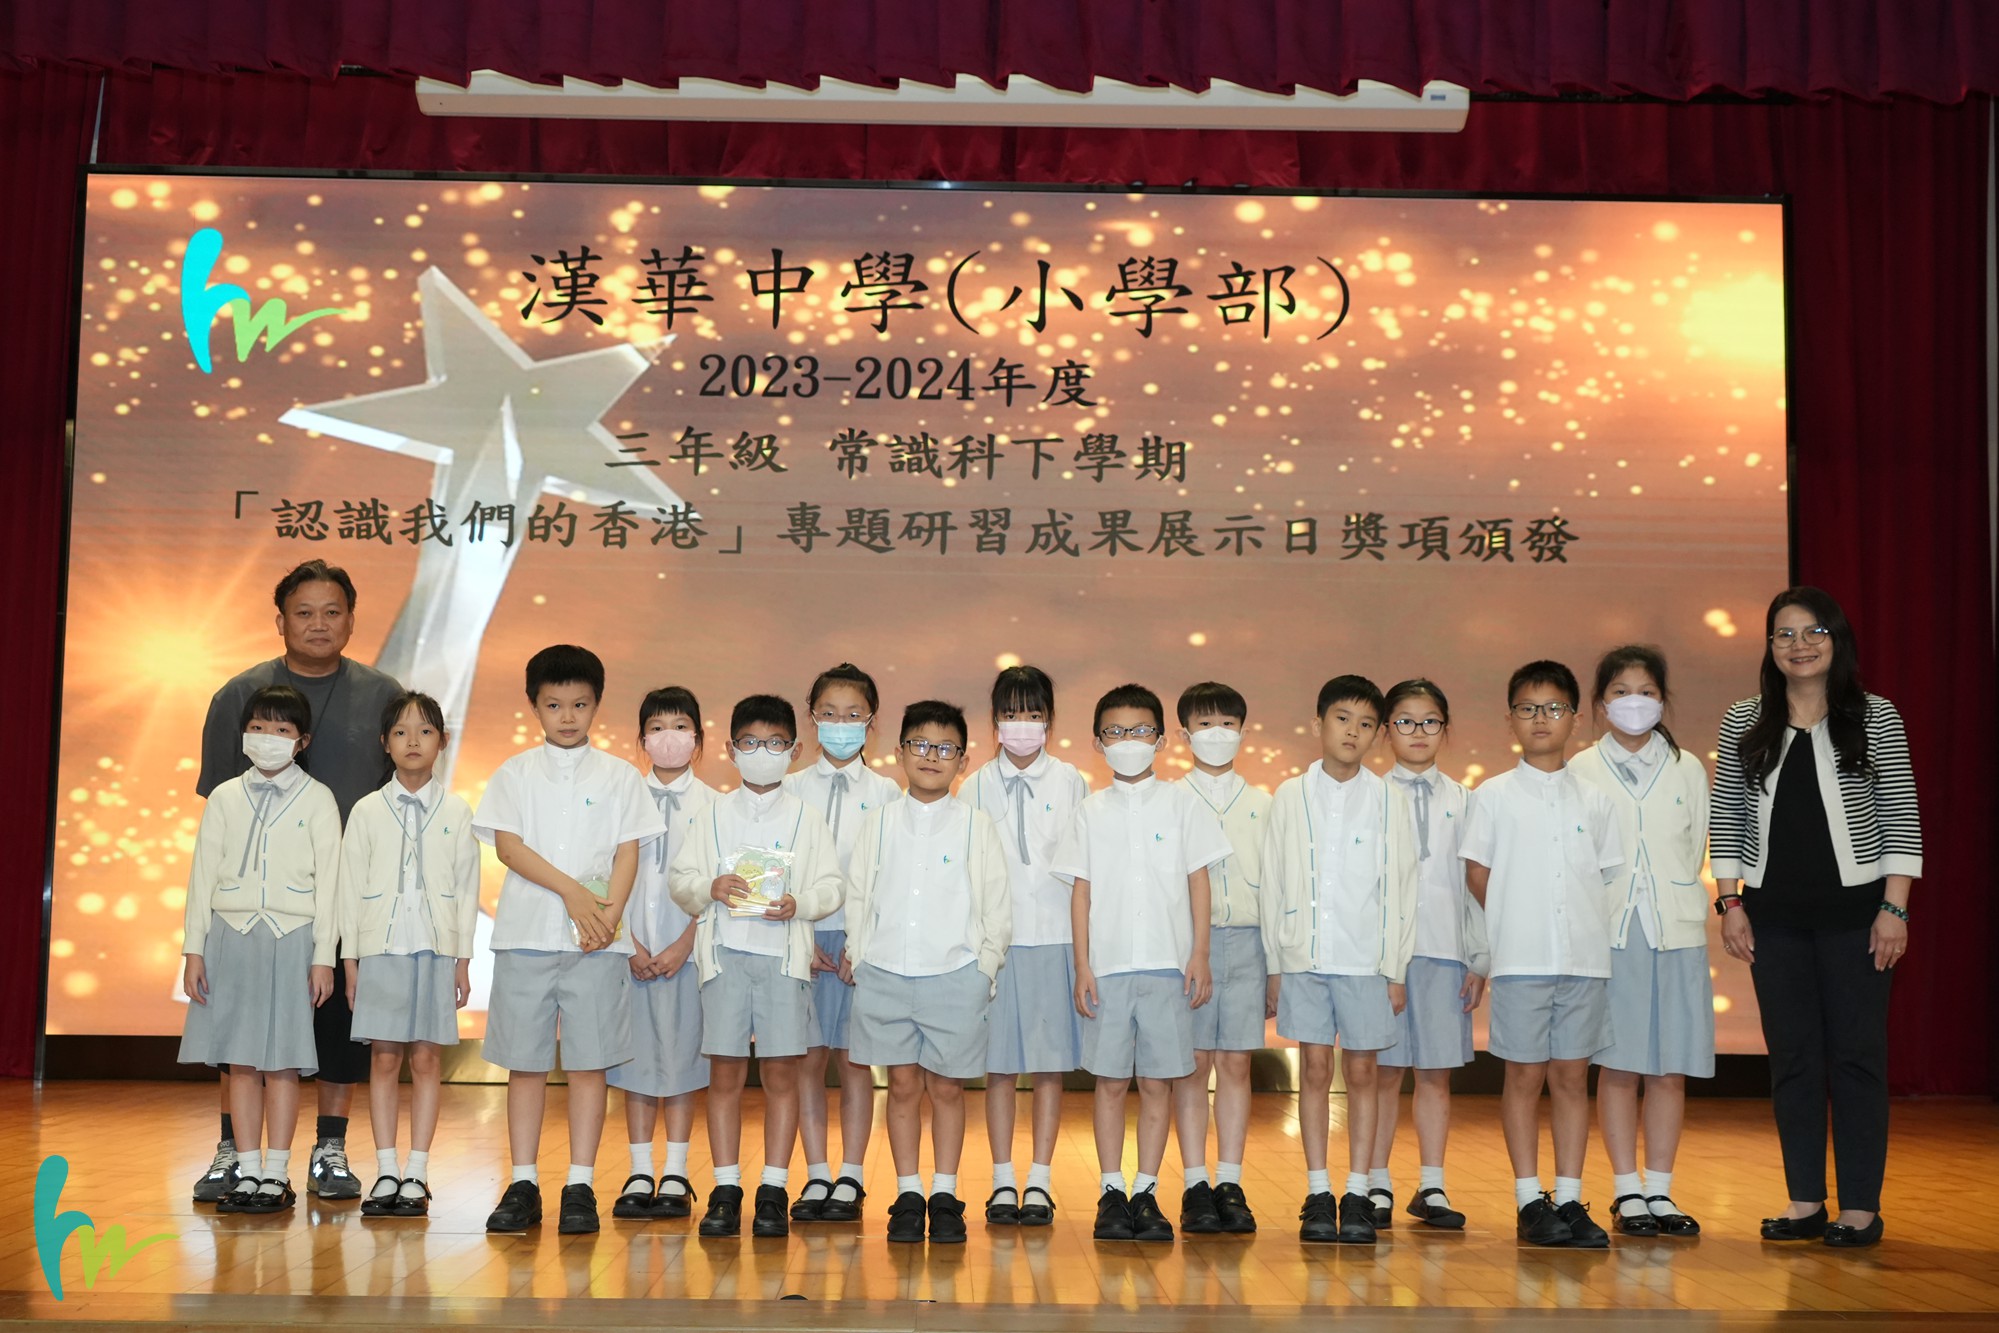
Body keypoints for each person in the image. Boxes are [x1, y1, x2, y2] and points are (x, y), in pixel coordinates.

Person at [1713, 587, 1922, 1250]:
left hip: (1857, 915)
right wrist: (1729, 901)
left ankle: (1859, 1207)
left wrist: (1893, 907)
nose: (1798, 645)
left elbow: (1900, 813)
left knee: (1856, 1058)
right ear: (1769, 645)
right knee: (1793, 1060)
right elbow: (1727, 814)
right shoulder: (1745, 718)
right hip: (1772, 916)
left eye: (1813, 632)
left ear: (1836, 639)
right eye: (1784, 634)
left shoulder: (1874, 715)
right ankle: (1804, 1199)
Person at [192, 559, 402, 1204]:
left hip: (355, 885)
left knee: (340, 1019)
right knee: (242, 1023)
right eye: (303, 612)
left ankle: (330, 1147)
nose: (318, 624)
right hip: (258, 903)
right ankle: (234, 1149)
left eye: (332, 612)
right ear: (279, 620)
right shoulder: (238, 694)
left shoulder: (382, 693)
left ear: (351, 620)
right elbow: (220, 801)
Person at [474, 645, 664, 1237]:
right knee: (525, 1064)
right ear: (534, 706)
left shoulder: (620, 776)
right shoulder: (514, 773)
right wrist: (575, 896)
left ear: (596, 705)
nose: (567, 716)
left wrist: (607, 915)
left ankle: (580, 1183)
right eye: (554, 704)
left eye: (579, 704)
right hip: (527, 936)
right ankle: (523, 1183)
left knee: (589, 1064)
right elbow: (509, 849)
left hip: (597, 943)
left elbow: (629, 852)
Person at [1054, 683, 1231, 1244]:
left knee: (1158, 1084)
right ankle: (1111, 1191)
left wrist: (1199, 953)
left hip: (1166, 968)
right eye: (1115, 731)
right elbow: (1080, 893)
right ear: (1097, 742)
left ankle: (1147, 1191)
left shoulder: (1183, 804)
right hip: (1107, 969)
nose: (1127, 740)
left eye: (1139, 731)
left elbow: (1199, 882)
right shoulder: (1089, 811)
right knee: (1109, 1083)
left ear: (1159, 740)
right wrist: (1083, 965)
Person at [668, 695, 845, 1240]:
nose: (761, 752)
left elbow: (832, 885)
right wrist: (709, 887)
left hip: (784, 963)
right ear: (731, 749)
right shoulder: (711, 815)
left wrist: (801, 904)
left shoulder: (807, 818)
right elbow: (681, 881)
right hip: (724, 959)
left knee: (781, 1076)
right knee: (724, 1074)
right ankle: (725, 1188)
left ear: (793, 750)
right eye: (749, 742)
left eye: (773, 743)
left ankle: (773, 1188)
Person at [1462, 660, 1624, 1249]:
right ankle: (1530, 1199)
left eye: (1554, 708)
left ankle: (1572, 1198)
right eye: (1528, 708)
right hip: (1521, 961)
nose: (1541, 719)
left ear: (1575, 719)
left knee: (1573, 1078)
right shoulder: (1493, 796)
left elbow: (1607, 877)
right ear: (1510, 719)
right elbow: (1477, 872)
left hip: (1583, 962)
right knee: (1524, 1075)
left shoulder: (1597, 800)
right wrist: (1514, 920)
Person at [842, 701, 1012, 1244]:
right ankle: (908, 1194)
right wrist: (860, 957)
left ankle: (944, 1194)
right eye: (919, 744)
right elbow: (859, 897)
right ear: (900, 752)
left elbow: (996, 906)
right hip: (886, 972)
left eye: (945, 748)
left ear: (963, 760)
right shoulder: (879, 822)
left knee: (947, 1088)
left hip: (955, 974)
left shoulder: (976, 825)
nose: (931, 756)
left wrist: (983, 970)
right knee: (901, 1086)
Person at [1258, 675, 1417, 1245]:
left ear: (1377, 734)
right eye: (1342, 719)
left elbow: (1401, 888)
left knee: (1364, 1072)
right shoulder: (1289, 795)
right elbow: (1273, 882)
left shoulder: (1389, 799)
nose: (1353, 732)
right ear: (1319, 723)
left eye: (1366, 723)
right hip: (1304, 958)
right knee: (1315, 1070)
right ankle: (1319, 1192)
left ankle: (1358, 1192)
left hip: (1365, 960)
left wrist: (1395, 969)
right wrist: (1276, 963)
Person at [178, 684, 341, 1215]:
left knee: (284, 1062)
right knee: (241, 1061)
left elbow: (331, 884)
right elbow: (202, 875)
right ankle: (247, 1171)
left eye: (281, 729)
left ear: (302, 741)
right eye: (258, 727)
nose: (267, 737)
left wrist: (323, 955)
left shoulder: (318, 798)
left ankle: (276, 1174)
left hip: (292, 939)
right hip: (231, 934)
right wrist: (194, 948)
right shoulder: (225, 797)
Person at [1570, 646, 1714, 1238]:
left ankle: (1661, 1190)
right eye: (1621, 691)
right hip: (1611, 932)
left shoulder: (1687, 768)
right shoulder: (1581, 768)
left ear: (1663, 699)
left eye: (1648, 691)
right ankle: (1627, 1190)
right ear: (1601, 704)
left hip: (1674, 931)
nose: (1636, 701)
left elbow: (1696, 845)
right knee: (1619, 1065)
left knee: (1670, 1067)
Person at [335, 691, 479, 1219]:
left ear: (442, 741)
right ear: (385, 743)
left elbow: (466, 889)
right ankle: (386, 1168)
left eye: (424, 731)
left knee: (426, 1058)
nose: (412, 741)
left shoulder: (457, 811)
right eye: (400, 732)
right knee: (384, 1057)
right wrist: (351, 961)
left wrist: (462, 960)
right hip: (381, 949)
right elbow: (349, 889)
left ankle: (417, 1170)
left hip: (436, 951)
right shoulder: (368, 811)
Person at [966, 665, 1089, 1229]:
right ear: (994, 721)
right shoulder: (974, 785)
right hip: (995, 945)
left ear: (1050, 721)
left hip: (1055, 939)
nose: (1022, 724)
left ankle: (1039, 1179)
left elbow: (1085, 872)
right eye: (1011, 714)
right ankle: (1001, 1179)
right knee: (997, 1068)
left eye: (1033, 714)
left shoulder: (1071, 781)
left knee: (1048, 1067)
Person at [1367, 678, 1488, 1232]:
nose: (1418, 731)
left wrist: (1479, 958)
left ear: (1446, 729)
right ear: (1386, 731)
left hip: (1444, 952)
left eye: (1430, 721)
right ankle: (1376, 1182)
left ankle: (1432, 1184)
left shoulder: (1466, 801)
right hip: (1383, 960)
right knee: (1383, 1073)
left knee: (1436, 1073)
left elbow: (1475, 886)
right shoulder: (1368, 796)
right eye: (1405, 721)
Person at [783, 663, 901, 1224]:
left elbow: (889, 879)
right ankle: (816, 1173)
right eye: (829, 713)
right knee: (806, 1061)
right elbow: (777, 872)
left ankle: (851, 1176)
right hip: (800, 940)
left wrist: (862, 944)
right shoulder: (788, 787)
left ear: (871, 723)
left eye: (853, 715)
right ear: (812, 719)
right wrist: (798, 937)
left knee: (857, 1063)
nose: (840, 723)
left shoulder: (888, 793)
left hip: (861, 947)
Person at [610, 687, 720, 1221]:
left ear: (698, 740)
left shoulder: (718, 806)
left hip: (689, 954)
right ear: (641, 739)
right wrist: (627, 941)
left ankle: (675, 1170)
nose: (668, 737)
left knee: (682, 1059)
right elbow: (603, 873)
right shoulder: (621, 798)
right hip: (627, 951)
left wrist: (684, 943)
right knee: (634, 1061)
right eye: (657, 727)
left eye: (680, 726)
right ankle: (638, 1169)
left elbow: (724, 885)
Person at [1170, 681, 1272, 1236]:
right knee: (1192, 1065)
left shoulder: (1263, 804)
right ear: (1184, 734)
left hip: (1249, 943)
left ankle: (1230, 1182)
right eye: (1204, 725)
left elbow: (1277, 887)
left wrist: (1277, 964)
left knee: (1235, 1064)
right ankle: (1194, 1183)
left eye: (1227, 724)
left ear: (1243, 732)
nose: (1217, 734)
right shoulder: (1170, 799)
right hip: (1186, 947)